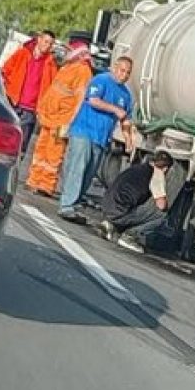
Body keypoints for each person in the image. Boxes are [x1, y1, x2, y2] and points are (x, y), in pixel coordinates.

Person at [57, 56, 135, 223]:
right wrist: (114, 109)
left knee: (89, 172)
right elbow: (93, 101)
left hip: (101, 137)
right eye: (122, 70)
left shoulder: (126, 95)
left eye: (128, 73)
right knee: (78, 167)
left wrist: (128, 139)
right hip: (84, 130)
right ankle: (67, 205)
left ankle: (75, 203)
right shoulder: (101, 80)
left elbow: (125, 119)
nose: (124, 75)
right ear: (115, 68)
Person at [24, 37, 94, 196]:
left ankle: (46, 185)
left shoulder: (83, 71)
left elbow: (80, 99)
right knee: (41, 149)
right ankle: (34, 180)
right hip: (50, 116)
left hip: (62, 119)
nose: (67, 52)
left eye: (70, 49)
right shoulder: (68, 67)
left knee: (53, 153)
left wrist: (70, 121)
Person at [96, 151, 174, 253]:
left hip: (107, 207)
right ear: (165, 168)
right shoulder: (157, 174)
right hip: (120, 213)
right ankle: (130, 236)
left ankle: (109, 224)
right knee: (161, 215)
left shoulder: (137, 168)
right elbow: (161, 205)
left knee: (131, 203)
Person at [0, 29, 56, 155]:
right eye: (46, 42)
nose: (47, 46)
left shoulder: (50, 63)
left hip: (30, 109)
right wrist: (7, 89)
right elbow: (5, 70)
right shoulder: (22, 53)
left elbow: (52, 88)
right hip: (13, 102)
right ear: (39, 40)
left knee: (21, 146)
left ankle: (15, 168)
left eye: (50, 44)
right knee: (4, 137)